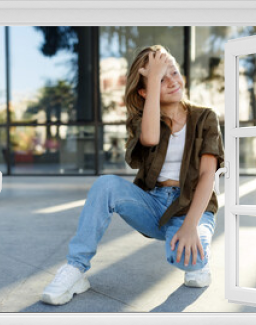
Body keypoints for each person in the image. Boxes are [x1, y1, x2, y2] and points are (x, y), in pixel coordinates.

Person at [41, 45, 225, 306]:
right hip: (153, 204)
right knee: (106, 185)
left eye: (173, 72)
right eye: (161, 79)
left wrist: (190, 225)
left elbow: (208, 174)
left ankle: (199, 262)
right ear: (145, 90)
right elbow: (150, 139)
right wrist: (152, 82)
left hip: (192, 206)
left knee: (187, 262)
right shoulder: (143, 119)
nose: (172, 81)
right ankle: (75, 269)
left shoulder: (205, 117)